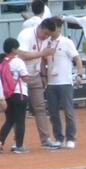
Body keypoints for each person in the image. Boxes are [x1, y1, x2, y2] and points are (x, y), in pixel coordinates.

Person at [17, 18, 62, 150]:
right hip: (21, 76)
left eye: (49, 35)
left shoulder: (46, 38)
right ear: (40, 28)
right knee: (19, 110)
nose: (47, 37)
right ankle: (17, 142)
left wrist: (43, 74)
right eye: (46, 34)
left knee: (40, 108)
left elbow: (43, 58)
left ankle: (45, 139)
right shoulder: (25, 34)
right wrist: (43, 53)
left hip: (36, 75)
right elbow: (22, 55)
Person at [44, 18, 84, 149]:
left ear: (59, 28)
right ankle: (58, 138)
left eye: (55, 27)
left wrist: (79, 74)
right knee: (53, 112)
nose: (53, 30)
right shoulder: (46, 43)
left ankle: (71, 137)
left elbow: (77, 59)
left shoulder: (66, 42)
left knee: (68, 111)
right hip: (51, 83)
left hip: (65, 82)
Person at [0, 38, 32, 154]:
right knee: (20, 121)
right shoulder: (18, 61)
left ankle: (0, 141)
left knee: (9, 120)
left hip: (8, 94)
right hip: (20, 94)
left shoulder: (3, 62)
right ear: (14, 49)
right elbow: (25, 77)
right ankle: (19, 145)